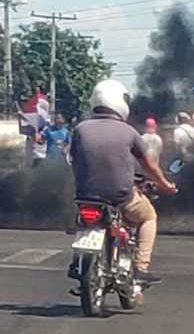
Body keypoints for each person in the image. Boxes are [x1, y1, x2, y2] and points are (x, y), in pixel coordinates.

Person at [70, 79, 177, 285]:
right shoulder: (129, 132)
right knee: (148, 217)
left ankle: (83, 262)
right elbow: (149, 166)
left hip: (86, 196)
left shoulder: (80, 129)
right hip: (120, 195)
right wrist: (165, 184)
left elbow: (74, 161)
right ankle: (140, 267)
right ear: (120, 102)